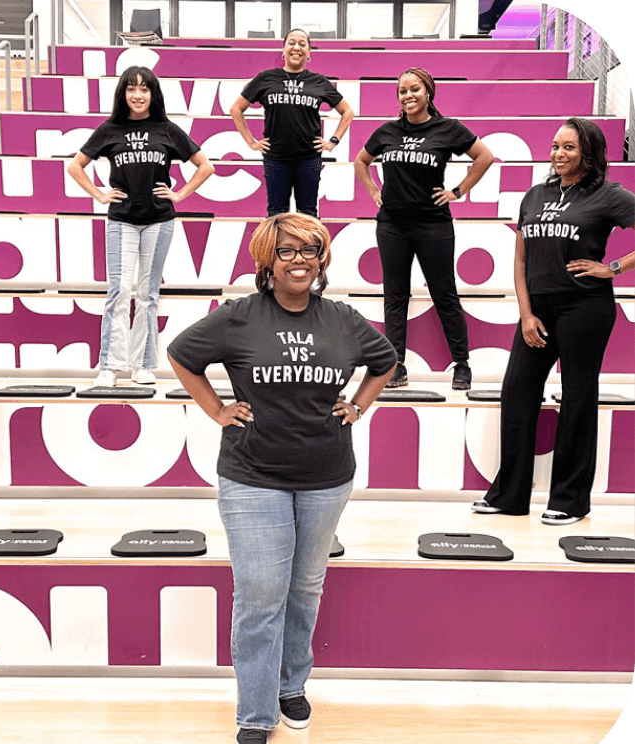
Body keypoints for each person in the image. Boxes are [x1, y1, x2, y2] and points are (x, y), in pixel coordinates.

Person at [167, 213, 396, 744]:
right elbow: (181, 355)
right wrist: (217, 409)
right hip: (253, 476)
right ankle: (256, 710)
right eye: (288, 251)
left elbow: (384, 361)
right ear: (267, 260)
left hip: (327, 476)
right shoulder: (238, 317)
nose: (300, 260)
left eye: (310, 250)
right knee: (260, 594)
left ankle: (292, 685)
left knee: (305, 586)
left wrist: (358, 405)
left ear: (322, 259)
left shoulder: (342, 319)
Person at [473, 117, 635, 525]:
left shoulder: (608, 195)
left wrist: (613, 268)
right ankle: (509, 496)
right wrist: (525, 313)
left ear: (589, 152)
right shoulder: (534, 195)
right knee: (517, 394)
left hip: (586, 309)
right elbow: (521, 259)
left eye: (569, 147)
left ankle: (570, 501)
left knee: (578, 399)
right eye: (555, 146)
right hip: (537, 310)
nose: (558, 154)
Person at [67, 66, 214, 386]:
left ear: (153, 94)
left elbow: (206, 166)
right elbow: (75, 166)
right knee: (118, 292)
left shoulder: (167, 129)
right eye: (131, 89)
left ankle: (143, 364)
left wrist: (180, 194)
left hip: (159, 220)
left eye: (144, 89)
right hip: (122, 220)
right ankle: (109, 364)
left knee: (147, 294)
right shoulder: (109, 129)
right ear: (123, 94)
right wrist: (99, 194)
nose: (137, 95)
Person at [354, 67, 494, 390]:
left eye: (414, 89)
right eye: (402, 91)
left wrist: (457, 192)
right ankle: (395, 365)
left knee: (444, 293)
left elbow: (484, 157)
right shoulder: (387, 131)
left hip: (433, 225)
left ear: (428, 93)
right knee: (395, 295)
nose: (408, 95)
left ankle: (462, 364)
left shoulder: (447, 129)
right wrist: (375, 192)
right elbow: (362, 161)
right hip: (392, 225)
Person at [230, 28, 354, 218]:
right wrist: (251, 142)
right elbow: (236, 109)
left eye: (303, 44)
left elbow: (347, 111)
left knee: (308, 213)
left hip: (308, 157)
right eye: (292, 43)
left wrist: (333, 141)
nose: (297, 47)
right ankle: (276, 249)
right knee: (276, 214)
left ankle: (309, 249)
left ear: (309, 53)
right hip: (276, 157)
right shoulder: (266, 78)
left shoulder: (318, 81)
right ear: (283, 49)